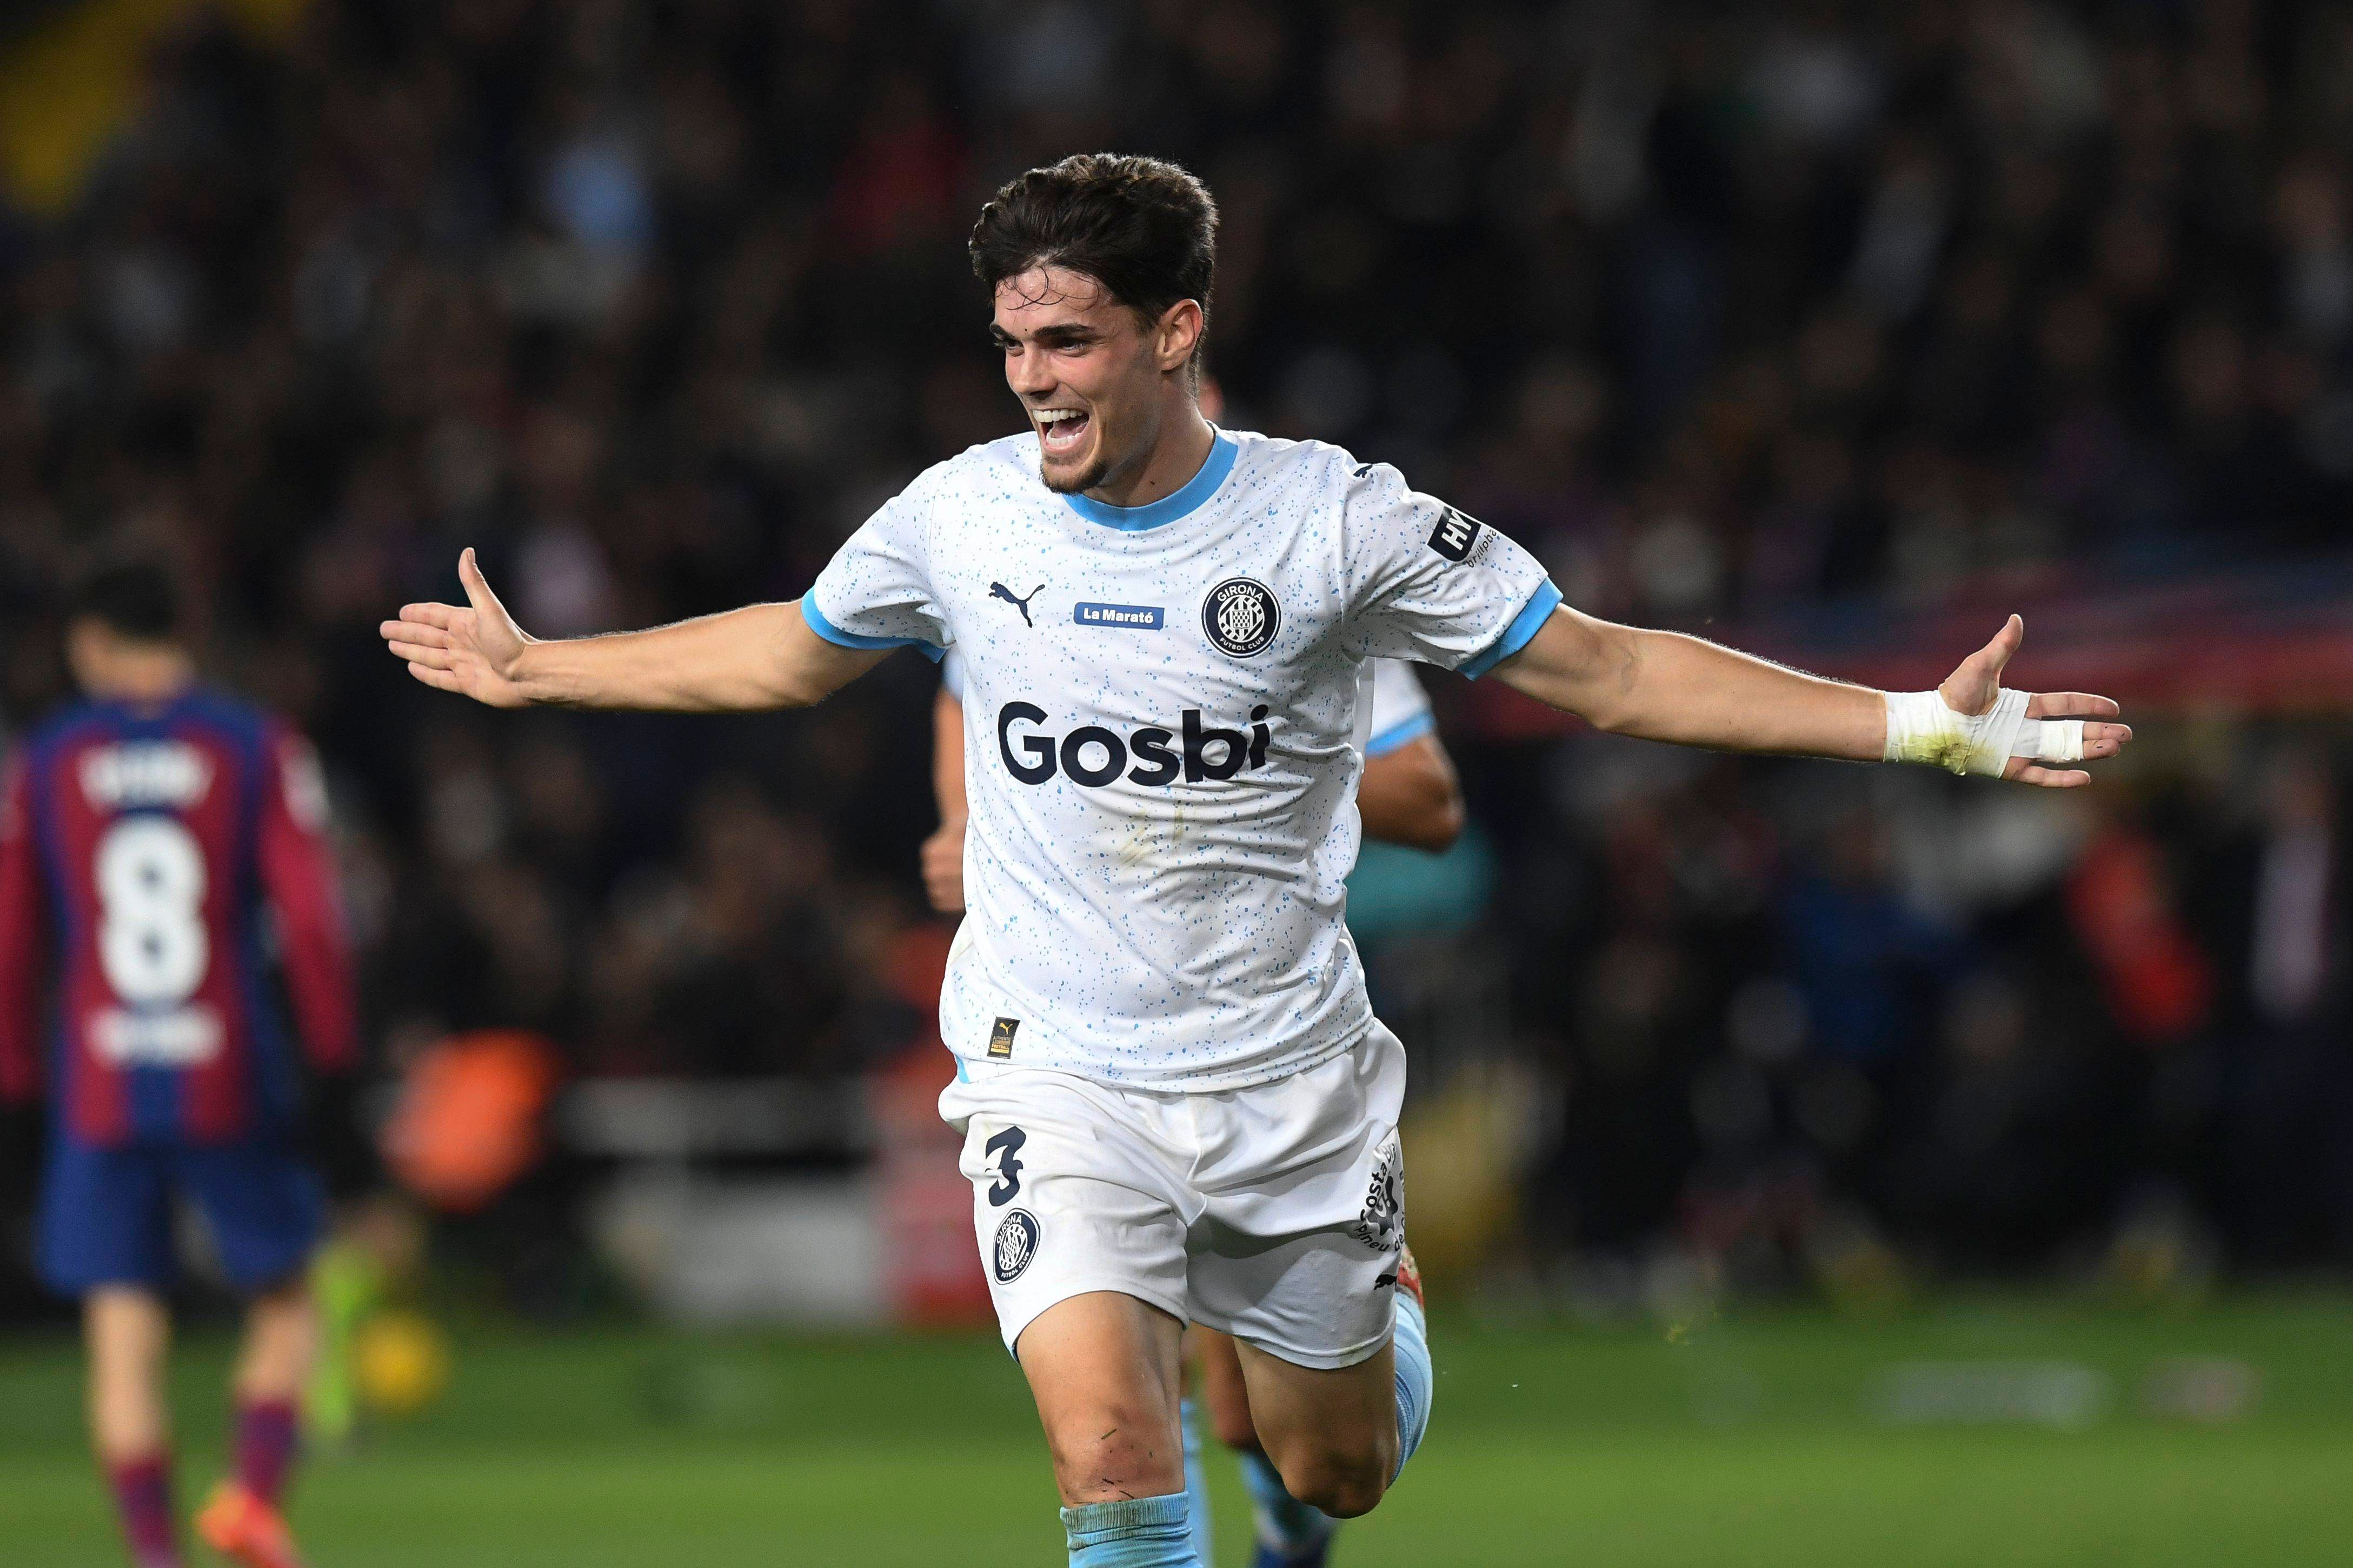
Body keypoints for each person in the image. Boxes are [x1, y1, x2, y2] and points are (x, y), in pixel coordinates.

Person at [382, 153, 2129, 1568]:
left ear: (1174, 332)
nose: (1031, 383)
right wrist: (544, 667)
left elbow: (1604, 670)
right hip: (1049, 1068)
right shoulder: (960, 516)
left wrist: (1918, 726)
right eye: (1012, 346)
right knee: (1111, 1444)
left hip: (1284, 1076)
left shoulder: (1337, 525)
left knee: (1334, 1473)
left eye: (1067, 344)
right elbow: (790, 648)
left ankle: (1333, 1425)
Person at [927, 648, 1461, 1568]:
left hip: (1252, 1050)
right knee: (1114, 1440)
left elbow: (1428, 796)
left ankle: (1297, 1524)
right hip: (1072, 1062)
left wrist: (1215, 783)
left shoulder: (1297, 560)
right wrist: (965, 823)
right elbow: (959, 697)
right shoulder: (1004, 557)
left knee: (1286, 1440)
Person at [0, 561, 359, 1568]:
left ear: (92, 641)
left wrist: (17, 1078)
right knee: (289, 1298)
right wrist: (333, 1060)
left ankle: (157, 1557)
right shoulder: (251, 744)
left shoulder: (48, 756)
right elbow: (312, 917)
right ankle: (249, 1495)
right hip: (229, 1067)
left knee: (122, 1333)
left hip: (100, 1081)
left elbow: (14, 935)